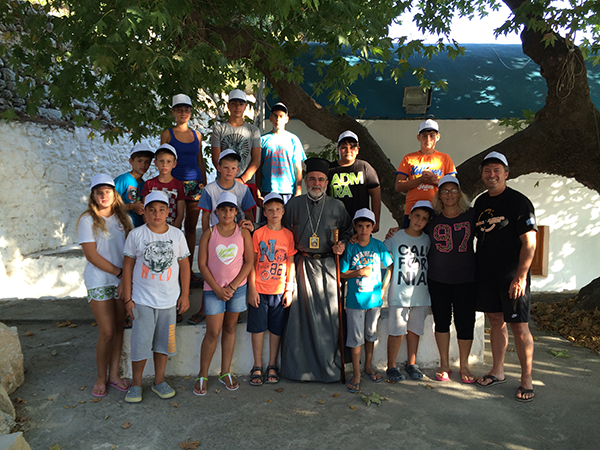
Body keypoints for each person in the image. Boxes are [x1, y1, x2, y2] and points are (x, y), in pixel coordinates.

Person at [280, 157, 353, 382]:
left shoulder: (337, 206)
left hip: (329, 267)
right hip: (301, 267)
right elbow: (278, 230)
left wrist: (343, 244)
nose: (316, 183)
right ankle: (298, 370)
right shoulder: (293, 205)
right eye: (312, 179)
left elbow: (348, 231)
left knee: (329, 319)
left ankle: (329, 369)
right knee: (299, 321)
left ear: (327, 182)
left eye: (321, 179)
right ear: (305, 181)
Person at [474, 151, 537, 402]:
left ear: (506, 174)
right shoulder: (480, 202)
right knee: (495, 321)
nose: (492, 174)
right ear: (482, 175)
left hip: (513, 276)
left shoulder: (519, 202)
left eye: (497, 170)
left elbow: (530, 242)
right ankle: (497, 371)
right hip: (487, 275)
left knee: (519, 326)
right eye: (487, 170)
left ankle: (526, 380)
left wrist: (521, 276)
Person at [121, 191, 191, 403]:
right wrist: (128, 299)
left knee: (163, 344)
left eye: (161, 209)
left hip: (168, 301)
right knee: (140, 343)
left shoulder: (177, 235)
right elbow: (127, 266)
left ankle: (159, 381)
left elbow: (184, 266)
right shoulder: (136, 235)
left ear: (168, 212)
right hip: (142, 300)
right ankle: (136, 384)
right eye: (152, 210)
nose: (157, 214)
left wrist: (185, 295)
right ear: (144, 213)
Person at [77, 174, 133, 398]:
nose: (103, 196)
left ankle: (114, 376)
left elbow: (129, 251)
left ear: (114, 194)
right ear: (93, 195)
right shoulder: (87, 220)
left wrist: (125, 279)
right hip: (99, 280)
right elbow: (91, 255)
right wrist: (120, 273)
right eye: (99, 192)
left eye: (107, 191)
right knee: (107, 332)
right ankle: (101, 377)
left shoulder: (122, 218)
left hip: (120, 281)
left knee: (118, 329)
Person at [193, 192, 254, 395]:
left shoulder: (243, 233)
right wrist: (217, 288)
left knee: (230, 328)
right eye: (223, 209)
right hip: (213, 290)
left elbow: (249, 262)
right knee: (213, 331)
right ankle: (203, 373)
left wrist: (233, 287)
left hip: (237, 289)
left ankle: (225, 371)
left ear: (236, 212)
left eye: (231, 209)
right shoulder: (209, 233)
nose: (227, 213)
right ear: (216, 212)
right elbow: (202, 264)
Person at [187, 149, 256, 325]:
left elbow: (249, 214)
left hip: (237, 238)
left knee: (235, 270)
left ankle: (234, 309)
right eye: (226, 167)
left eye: (233, 168)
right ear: (218, 167)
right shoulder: (210, 189)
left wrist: (248, 231)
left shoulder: (242, 189)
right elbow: (205, 215)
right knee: (212, 272)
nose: (229, 171)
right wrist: (208, 238)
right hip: (216, 238)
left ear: (238, 169)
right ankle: (204, 309)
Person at [427, 175, 477, 384]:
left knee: (465, 322)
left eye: (453, 190)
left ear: (460, 193)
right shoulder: (432, 218)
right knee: (441, 321)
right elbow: (412, 230)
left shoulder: (471, 215)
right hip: (438, 278)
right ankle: (444, 364)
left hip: (466, 278)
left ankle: (464, 365)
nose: (449, 195)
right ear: (439, 195)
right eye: (445, 191)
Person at [340, 208, 393, 393]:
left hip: (374, 300)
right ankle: (356, 373)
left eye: (368, 226)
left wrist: (384, 289)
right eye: (360, 226)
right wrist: (359, 272)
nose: (364, 230)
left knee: (371, 334)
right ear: (355, 227)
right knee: (355, 337)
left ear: (373, 227)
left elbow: (390, 266)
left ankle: (368, 366)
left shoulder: (378, 246)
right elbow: (342, 273)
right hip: (355, 301)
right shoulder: (351, 247)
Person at [247, 193, 297, 386]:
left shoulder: (288, 235)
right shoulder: (258, 234)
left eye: (277, 209)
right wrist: (252, 288)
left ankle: (272, 364)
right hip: (260, 289)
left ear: (283, 211)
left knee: (276, 329)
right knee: (258, 328)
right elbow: (251, 263)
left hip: (279, 290)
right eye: (270, 210)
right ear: (265, 213)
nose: (274, 212)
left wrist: (289, 289)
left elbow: (290, 262)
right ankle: (257, 365)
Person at [160, 93, 208, 285]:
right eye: (179, 110)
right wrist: (164, 182)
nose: (183, 113)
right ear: (173, 112)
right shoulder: (167, 134)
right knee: (173, 226)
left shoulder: (197, 135)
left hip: (194, 184)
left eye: (186, 110)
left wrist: (204, 184)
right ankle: (172, 268)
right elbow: (163, 159)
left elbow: (199, 160)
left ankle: (188, 269)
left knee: (191, 228)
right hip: (174, 184)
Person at [384, 200, 433, 382]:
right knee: (396, 331)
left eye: (424, 218)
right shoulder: (395, 237)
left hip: (421, 294)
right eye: (417, 216)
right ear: (410, 215)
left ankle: (411, 364)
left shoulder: (427, 240)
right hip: (399, 293)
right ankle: (391, 366)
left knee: (415, 331)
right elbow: (381, 254)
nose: (419, 221)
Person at [395, 119, 456, 228]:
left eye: (432, 136)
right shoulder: (409, 158)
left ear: (438, 137)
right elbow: (398, 186)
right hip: (412, 210)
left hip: (437, 208)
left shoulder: (445, 158)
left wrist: (435, 181)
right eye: (424, 136)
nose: (428, 139)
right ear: (418, 137)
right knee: (412, 237)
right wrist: (421, 180)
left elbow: (453, 187)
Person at [329, 130, 381, 232]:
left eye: (352, 147)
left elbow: (376, 195)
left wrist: (375, 222)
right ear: (338, 150)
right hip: (334, 223)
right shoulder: (329, 169)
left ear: (357, 150)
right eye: (344, 147)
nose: (348, 151)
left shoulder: (365, 167)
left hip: (360, 224)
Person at [256, 102, 305, 205]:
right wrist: (258, 191)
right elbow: (259, 167)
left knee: (287, 215)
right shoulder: (263, 140)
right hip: (268, 189)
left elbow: (298, 168)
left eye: (281, 116)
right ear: (270, 118)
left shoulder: (293, 140)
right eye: (275, 116)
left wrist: (299, 189)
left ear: (286, 119)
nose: (278, 119)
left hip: (288, 190)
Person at [210, 89, 261, 184]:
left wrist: (242, 180)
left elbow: (256, 160)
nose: (237, 107)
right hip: (224, 182)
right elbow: (216, 159)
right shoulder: (219, 130)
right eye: (234, 104)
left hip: (246, 183)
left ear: (245, 106)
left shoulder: (254, 130)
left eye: (241, 104)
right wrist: (229, 179)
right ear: (228, 105)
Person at [141, 143, 185, 229]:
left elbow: (180, 213)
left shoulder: (179, 185)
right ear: (155, 163)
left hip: (171, 228)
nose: (164, 164)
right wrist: (150, 228)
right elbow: (145, 210)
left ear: (174, 164)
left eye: (168, 161)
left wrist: (173, 231)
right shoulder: (149, 184)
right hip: (152, 228)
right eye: (161, 161)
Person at [114, 143, 154, 228]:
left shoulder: (145, 185)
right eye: (139, 161)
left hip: (138, 228)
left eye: (147, 162)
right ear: (131, 161)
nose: (143, 165)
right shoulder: (123, 180)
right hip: (121, 227)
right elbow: (110, 204)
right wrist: (132, 206)